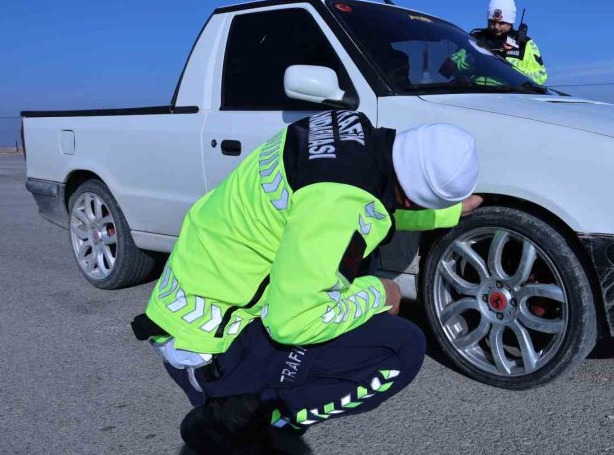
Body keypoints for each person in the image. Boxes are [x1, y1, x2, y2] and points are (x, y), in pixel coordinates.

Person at [131, 110, 482, 455]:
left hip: (188, 305)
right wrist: (379, 291)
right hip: (210, 346)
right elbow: (293, 323)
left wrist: (445, 212)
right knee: (400, 347)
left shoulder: (344, 133)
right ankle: (242, 419)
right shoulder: (339, 203)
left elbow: (382, 201)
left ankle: (248, 406)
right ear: (411, 195)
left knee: (350, 288)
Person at [470, 0, 547, 85]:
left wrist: (507, 68)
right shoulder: (475, 40)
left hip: (511, 95)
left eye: (501, 23)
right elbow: (453, 66)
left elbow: (540, 77)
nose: (496, 27)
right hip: (476, 93)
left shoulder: (526, 44)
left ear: (511, 21)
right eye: (492, 22)